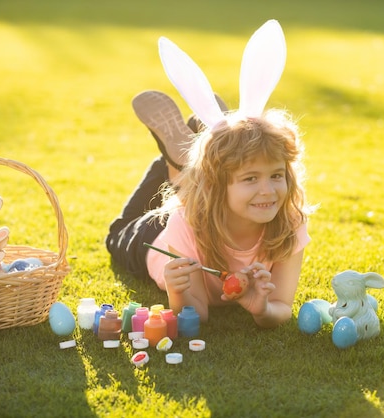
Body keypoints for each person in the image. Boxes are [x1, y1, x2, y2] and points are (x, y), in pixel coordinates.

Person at [107, 19, 313, 327]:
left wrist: (262, 309)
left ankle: (187, 159)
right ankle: (175, 165)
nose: (268, 190)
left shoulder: (290, 221)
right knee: (116, 233)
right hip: (154, 236)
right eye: (250, 178)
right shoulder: (185, 224)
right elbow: (197, 314)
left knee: (191, 188)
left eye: (276, 175)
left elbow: (281, 306)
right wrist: (178, 291)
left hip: (201, 199)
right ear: (217, 184)